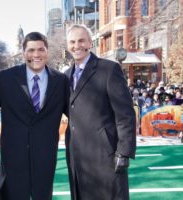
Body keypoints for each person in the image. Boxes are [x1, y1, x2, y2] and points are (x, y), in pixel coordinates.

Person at [0, 32, 69, 200]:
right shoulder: (4, 79)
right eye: (31, 50)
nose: (36, 55)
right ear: (23, 52)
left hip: (45, 158)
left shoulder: (61, 81)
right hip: (12, 160)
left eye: (41, 49)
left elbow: (77, 113)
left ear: (47, 51)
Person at [64, 24, 136, 200]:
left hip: (106, 155)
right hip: (77, 158)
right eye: (72, 41)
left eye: (81, 40)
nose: (77, 45)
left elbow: (125, 114)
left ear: (90, 42)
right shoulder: (65, 76)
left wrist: (124, 151)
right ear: (68, 46)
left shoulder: (109, 69)